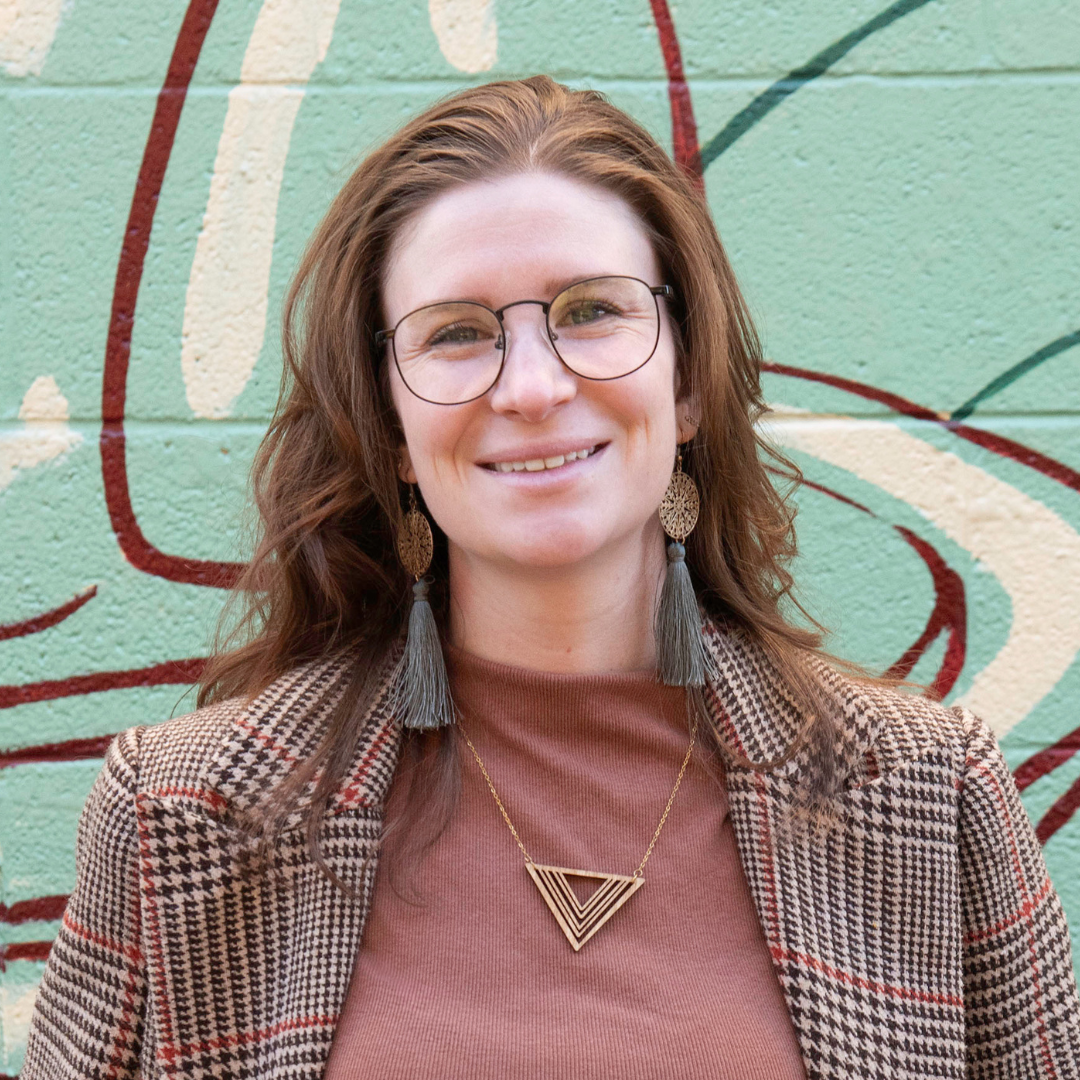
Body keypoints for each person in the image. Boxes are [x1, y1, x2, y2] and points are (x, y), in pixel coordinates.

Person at [21, 75, 1080, 1080]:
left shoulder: (928, 800)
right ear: (390, 427)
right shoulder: (185, 814)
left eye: (591, 312)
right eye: (455, 334)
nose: (532, 387)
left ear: (691, 384)